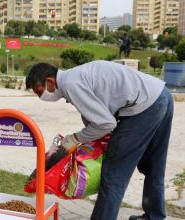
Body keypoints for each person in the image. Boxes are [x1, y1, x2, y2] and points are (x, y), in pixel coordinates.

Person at [25, 61, 173, 220]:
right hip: (161, 95)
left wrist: (75, 139)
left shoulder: (70, 84)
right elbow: (98, 118)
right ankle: (154, 216)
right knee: (154, 167)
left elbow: (105, 124)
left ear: (50, 81)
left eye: (40, 92)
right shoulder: (75, 76)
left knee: (113, 174)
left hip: (143, 108)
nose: (41, 97)